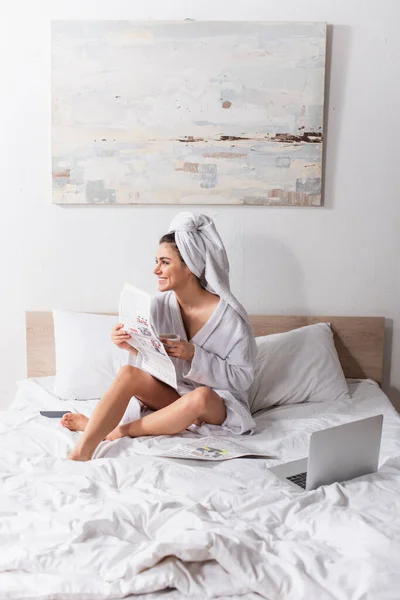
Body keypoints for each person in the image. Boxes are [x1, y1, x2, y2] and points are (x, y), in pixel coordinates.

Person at [63, 212, 258, 461]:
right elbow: (158, 363)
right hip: (175, 395)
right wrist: (132, 346)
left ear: (190, 267)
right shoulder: (156, 306)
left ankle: (114, 432)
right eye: (156, 261)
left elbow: (242, 379)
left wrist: (195, 355)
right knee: (127, 374)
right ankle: (81, 451)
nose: (156, 270)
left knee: (202, 396)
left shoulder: (230, 318)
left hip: (214, 405)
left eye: (165, 262)